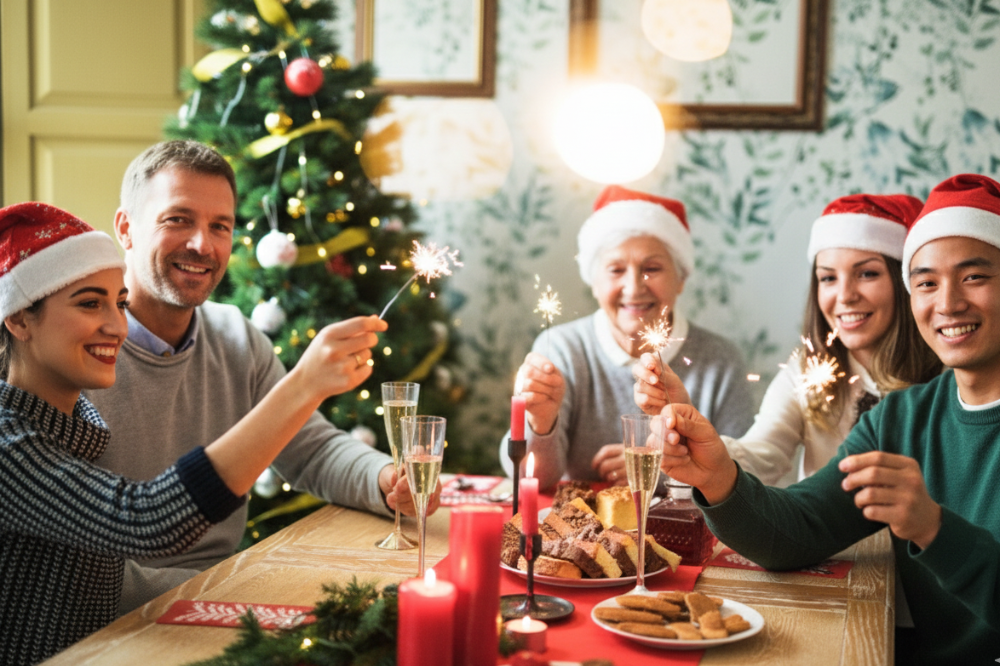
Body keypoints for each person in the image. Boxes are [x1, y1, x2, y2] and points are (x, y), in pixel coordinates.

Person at [0, 203, 385, 665]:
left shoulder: (72, 417)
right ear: (18, 319)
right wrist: (301, 386)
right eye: (88, 303)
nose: (117, 326)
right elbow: (145, 519)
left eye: (119, 303)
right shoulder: (10, 443)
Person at [655, 173, 1000, 663]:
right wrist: (717, 478)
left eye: (974, 277)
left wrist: (934, 529)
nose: (947, 303)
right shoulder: (898, 420)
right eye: (927, 282)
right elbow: (797, 530)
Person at [83, 140, 437, 614]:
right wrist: (223, 594)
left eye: (220, 226)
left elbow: (310, 448)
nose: (202, 245)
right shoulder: (81, 354)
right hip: (125, 616)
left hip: (224, 594)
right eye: (178, 219)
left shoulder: (235, 336)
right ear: (126, 228)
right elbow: (75, 569)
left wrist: (383, 478)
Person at [634, 194, 942, 485]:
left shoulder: (946, 378)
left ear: (905, 283)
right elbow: (760, 456)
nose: (845, 296)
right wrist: (693, 436)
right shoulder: (806, 373)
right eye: (828, 278)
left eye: (867, 274)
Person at [499, 185, 755, 490]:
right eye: (616, 270)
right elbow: (531, 481)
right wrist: (540, 424)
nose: (634, 288)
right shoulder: (561, 349)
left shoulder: (720, 361)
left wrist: (654, 468)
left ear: (681, 278)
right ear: (594, 282)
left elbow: (743, 479)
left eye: (652, 268)